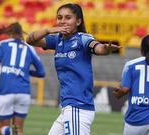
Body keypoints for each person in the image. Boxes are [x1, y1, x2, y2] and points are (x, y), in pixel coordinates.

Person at [26, 3, 120, 135]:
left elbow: (96, 47)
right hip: (67, 107)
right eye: (59, 17)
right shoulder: (57, 40)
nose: (63, 21)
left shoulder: (83, 38)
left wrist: (105, 49)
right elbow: (30, 40)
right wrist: (48, 30)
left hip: (78, 106)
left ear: (78, 21)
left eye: (68, 17)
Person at [0, 22, 45, 135]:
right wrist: (25, 71)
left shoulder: (2, 44)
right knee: (18, 129)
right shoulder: (29, 48)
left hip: (5, 90)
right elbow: (41, 72)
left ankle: (6, 131)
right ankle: (12, 131)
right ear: (21, 33)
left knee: (3, 127)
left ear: (9, 32)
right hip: (23, 92)